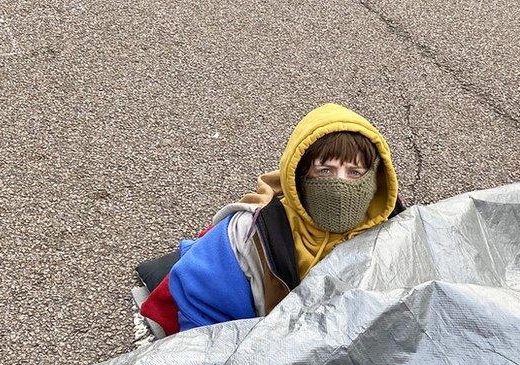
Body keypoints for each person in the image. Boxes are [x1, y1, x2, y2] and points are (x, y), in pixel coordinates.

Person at [135, 103, 405, 337]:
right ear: (299, 176)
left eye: (355, 172)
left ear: (374, 181)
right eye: (325, 170)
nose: (340, 184)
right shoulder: (249, 235)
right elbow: (202, 315)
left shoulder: (394, 229)